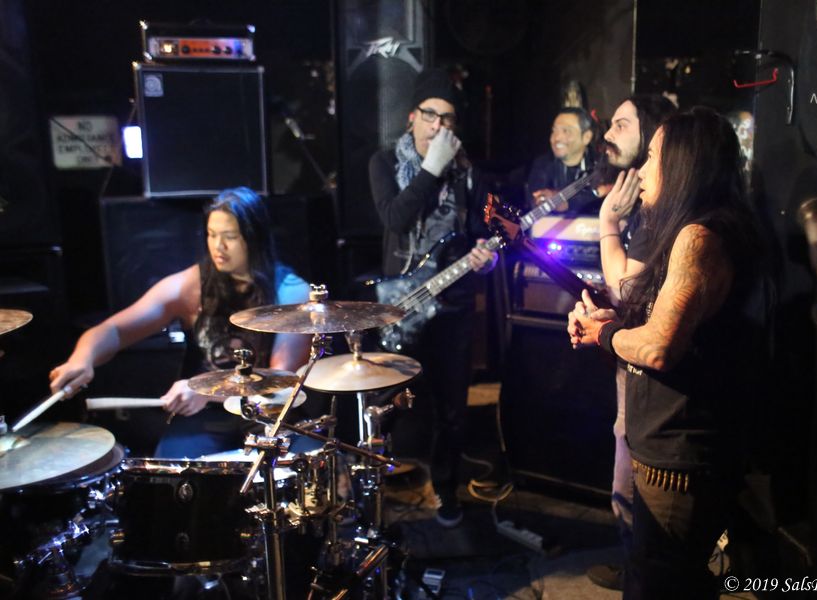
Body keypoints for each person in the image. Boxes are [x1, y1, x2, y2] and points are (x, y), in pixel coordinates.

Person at [569, 107, 768, 598]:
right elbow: (655, 319)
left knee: (661, 584)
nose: (641, 170)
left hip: (680, 456)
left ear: (681, 163)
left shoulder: (700, 237)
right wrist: (607, 324)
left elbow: (659, 346)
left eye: (653, 156)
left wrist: (605, 334)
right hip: (665, 446)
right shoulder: (687, 230)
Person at [49, 187, 312, 458]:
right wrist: (82, 359)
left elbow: (279, 383)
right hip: (206, 415)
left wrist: (205, 391)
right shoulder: (192, 285)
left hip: (269, 414)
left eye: (230, 237)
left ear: (255, 237)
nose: (218, 246)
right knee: (171, 466)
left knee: (290, 466)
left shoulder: (291, 292)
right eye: (212, 234)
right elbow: (114, 330)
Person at [368, 68, 497, 527]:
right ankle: (372, 487)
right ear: (412, 117)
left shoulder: (468, 174)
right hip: (400, 305)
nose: (438, 127)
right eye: (430, 116)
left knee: (452, 408)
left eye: (447, 119)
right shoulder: (385, 163)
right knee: (385, 400)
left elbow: (482, 235)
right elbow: (396, 218)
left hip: (452, 303)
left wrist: (486, 258)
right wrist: (431, 168)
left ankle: (445, 487)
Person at [587, 94, 676, 590]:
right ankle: (638, 567)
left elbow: (627, 289)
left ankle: (643, 575)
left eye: (621, 125)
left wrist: (607, 225)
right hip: (634, 360)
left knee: (632, 475)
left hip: (652, 375)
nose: (608, 134)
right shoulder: (643, 202)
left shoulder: (658, 208)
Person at [526, 106, 599, 214]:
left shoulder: (600, 165)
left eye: (566, 131)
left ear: (586, 137)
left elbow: (602, 195)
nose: (556, 138)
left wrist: (566, 202)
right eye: (554, 131)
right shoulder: (542, 165)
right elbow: (536, 201)